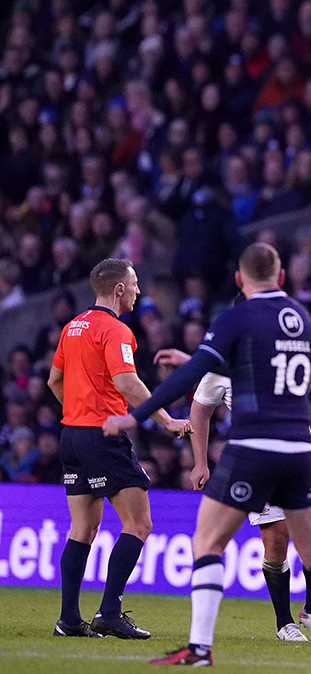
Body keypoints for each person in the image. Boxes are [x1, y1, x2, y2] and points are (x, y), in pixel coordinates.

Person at [102, 243, 311, 670]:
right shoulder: (301, 319)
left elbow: (194, 378)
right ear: (281, 277)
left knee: (207, 542)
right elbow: (264, 371)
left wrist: (138, 415)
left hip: (254, 450)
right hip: (298, 450)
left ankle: (199, 648)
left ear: (241, 280)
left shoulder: (236, 318)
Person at [153, 343, 311, 643]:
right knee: (277, 539)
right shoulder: (227, 359)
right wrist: (200, 462)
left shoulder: (294, 344)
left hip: (302, 449)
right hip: (258, 458)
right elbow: (200, 411)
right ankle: (284, 622)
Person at [47, 258, 190, 639]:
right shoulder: (116, 329)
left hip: (71, 436)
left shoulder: (73, 327)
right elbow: (127, 382)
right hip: (102, 436)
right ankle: (109, 612)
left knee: (83, 528)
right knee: (139, 523)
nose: (139, 291)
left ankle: (68, 620)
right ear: (119, 289)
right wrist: (167, 420)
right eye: (135, 284)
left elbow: (54, 380)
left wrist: (78, 411)